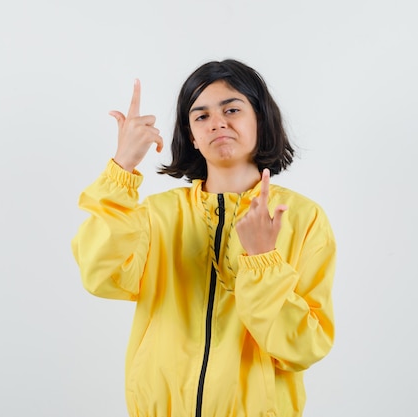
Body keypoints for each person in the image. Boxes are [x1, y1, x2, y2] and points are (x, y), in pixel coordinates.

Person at [72, 59, 336, 417]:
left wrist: (262, 262)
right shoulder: (157, 215)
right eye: (201, 116)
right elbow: (101, 276)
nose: (218, 122)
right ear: (192, 136)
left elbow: (304, 346)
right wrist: (122, 167)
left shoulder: (302, 218)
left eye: (232, 109)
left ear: (261, 119)